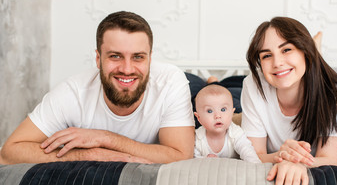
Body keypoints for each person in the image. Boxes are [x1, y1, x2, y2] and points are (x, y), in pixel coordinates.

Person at [0, 11, 195, 165]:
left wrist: (104, 138)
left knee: (215, 96)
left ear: (150, 59)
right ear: (98, 59)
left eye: (138, 57)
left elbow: (181, 155)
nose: (127, 69)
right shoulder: (73, 92)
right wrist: (91, 154)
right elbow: (8, 153)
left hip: (191, 88)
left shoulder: (171, 81)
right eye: (115, 56)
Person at [241, 17, 337, 185]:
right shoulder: (253, 84)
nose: (277, 62)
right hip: (260, 118)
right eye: (266, 55)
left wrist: (295, 162)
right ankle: (213, 81)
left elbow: (329, 159)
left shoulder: (335, 93)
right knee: (226, 118)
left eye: (286, 49)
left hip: (315, 81)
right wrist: (282, 156)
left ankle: (315, 48)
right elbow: (253, 156)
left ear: (304, 50)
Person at [193, 84, 261, 163]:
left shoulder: (236, 133)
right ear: (198, 118)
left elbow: (247, 151)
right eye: (210, 111)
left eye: (223, 109)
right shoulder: (197, 138)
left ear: (232, 113)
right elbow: (192, 159)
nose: (218, 116)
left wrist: (255, 165)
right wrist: (205, 159)